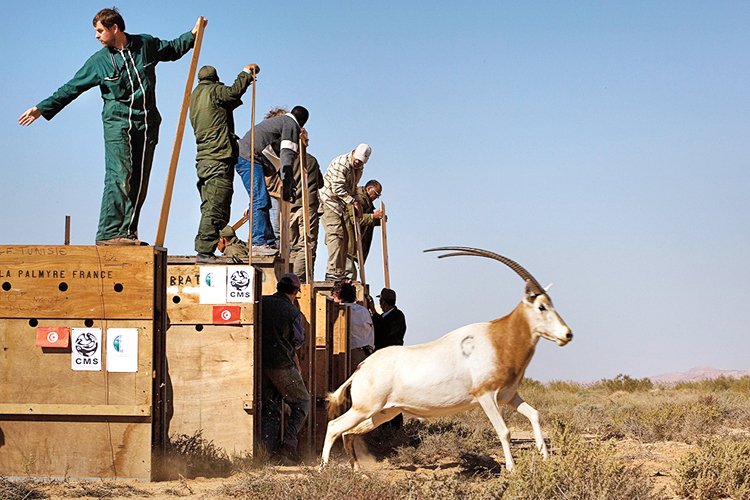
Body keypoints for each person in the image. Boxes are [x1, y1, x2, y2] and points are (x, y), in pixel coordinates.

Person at [18, 8, 205, 246]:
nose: (96, 36)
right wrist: (41, 108)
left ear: (114, 28)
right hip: (117, 124)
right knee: (119, 174)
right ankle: (108, 232)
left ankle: (126, 232)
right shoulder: (99, 62)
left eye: (99, 30)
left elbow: (172, 48)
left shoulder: (144, 44)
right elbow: (71, 88)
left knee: (139, 180)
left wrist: (193, 34)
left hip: (147, 123)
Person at [190, 64, 258, 263]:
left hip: (204, 159)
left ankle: (206, 249)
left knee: (209, 205)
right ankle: (204, 251)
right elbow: (233, 92)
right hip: (218, 158)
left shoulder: (195, 96)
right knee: (215, 207)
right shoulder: (213, 91)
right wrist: (246, 73)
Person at [236, 106, 309, 256]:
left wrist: (290, 184)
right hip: (248, 158)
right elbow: (287, 157)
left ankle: (268, 242)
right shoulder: (291, 125)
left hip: (248, 156)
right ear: (302, 124)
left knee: (264, 200)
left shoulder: (281, 122)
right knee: (259, 199)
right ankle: (258, 242)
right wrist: (288, 185)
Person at [260, 272, 310, 464]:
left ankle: (267, 453)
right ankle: (288, 445)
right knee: (302, 403)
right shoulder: (293, 312)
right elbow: (298, 341)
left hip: (260, 365)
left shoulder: (262, 302)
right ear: (296, 291)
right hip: (282, 365)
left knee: (271, 409)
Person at [319, 144, 372, 280]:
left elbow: (353, 188)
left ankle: (339, 272)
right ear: (353, 152)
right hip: (329, 201)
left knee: (345, 239)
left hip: (340, 205)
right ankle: (332, 271)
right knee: (335, 234)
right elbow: (337, 188)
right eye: (357, 160)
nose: (358, 163)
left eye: (361, 162)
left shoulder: (358, 169)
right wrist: (353, 202)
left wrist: (356, 201)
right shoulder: (341, 163)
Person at [368, 287, 407, 429]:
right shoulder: (394, 316)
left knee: (392, 394)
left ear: (383, 303)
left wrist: (373, 312)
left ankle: (395, 427)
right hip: (388, 360)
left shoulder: (397, 317)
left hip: (391, 361)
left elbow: (384, 332)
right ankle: (387, 427)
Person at [289, 132, 324, 282]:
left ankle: (288, 278)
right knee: (306, 245)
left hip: (289, 208)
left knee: (292, 246)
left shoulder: (285, 159)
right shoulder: (311, 161)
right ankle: (299, 280)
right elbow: (321, 183)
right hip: (306, 207)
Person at [344, 180, 384, 279]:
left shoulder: (366, 202)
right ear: (369, 189)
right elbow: (355, 219)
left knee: (350, 273)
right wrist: (373, 216)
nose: (377, 197)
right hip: (347, 242)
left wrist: (378, 220)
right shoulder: (357, 199)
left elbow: (365, 223)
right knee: (348, 273)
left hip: (353, 245)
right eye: (376, 193)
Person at [335, 282, 374, 371]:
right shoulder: (364, 311)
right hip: (367, 353)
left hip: (352, 354)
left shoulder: (341, 310)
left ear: (338, 296)